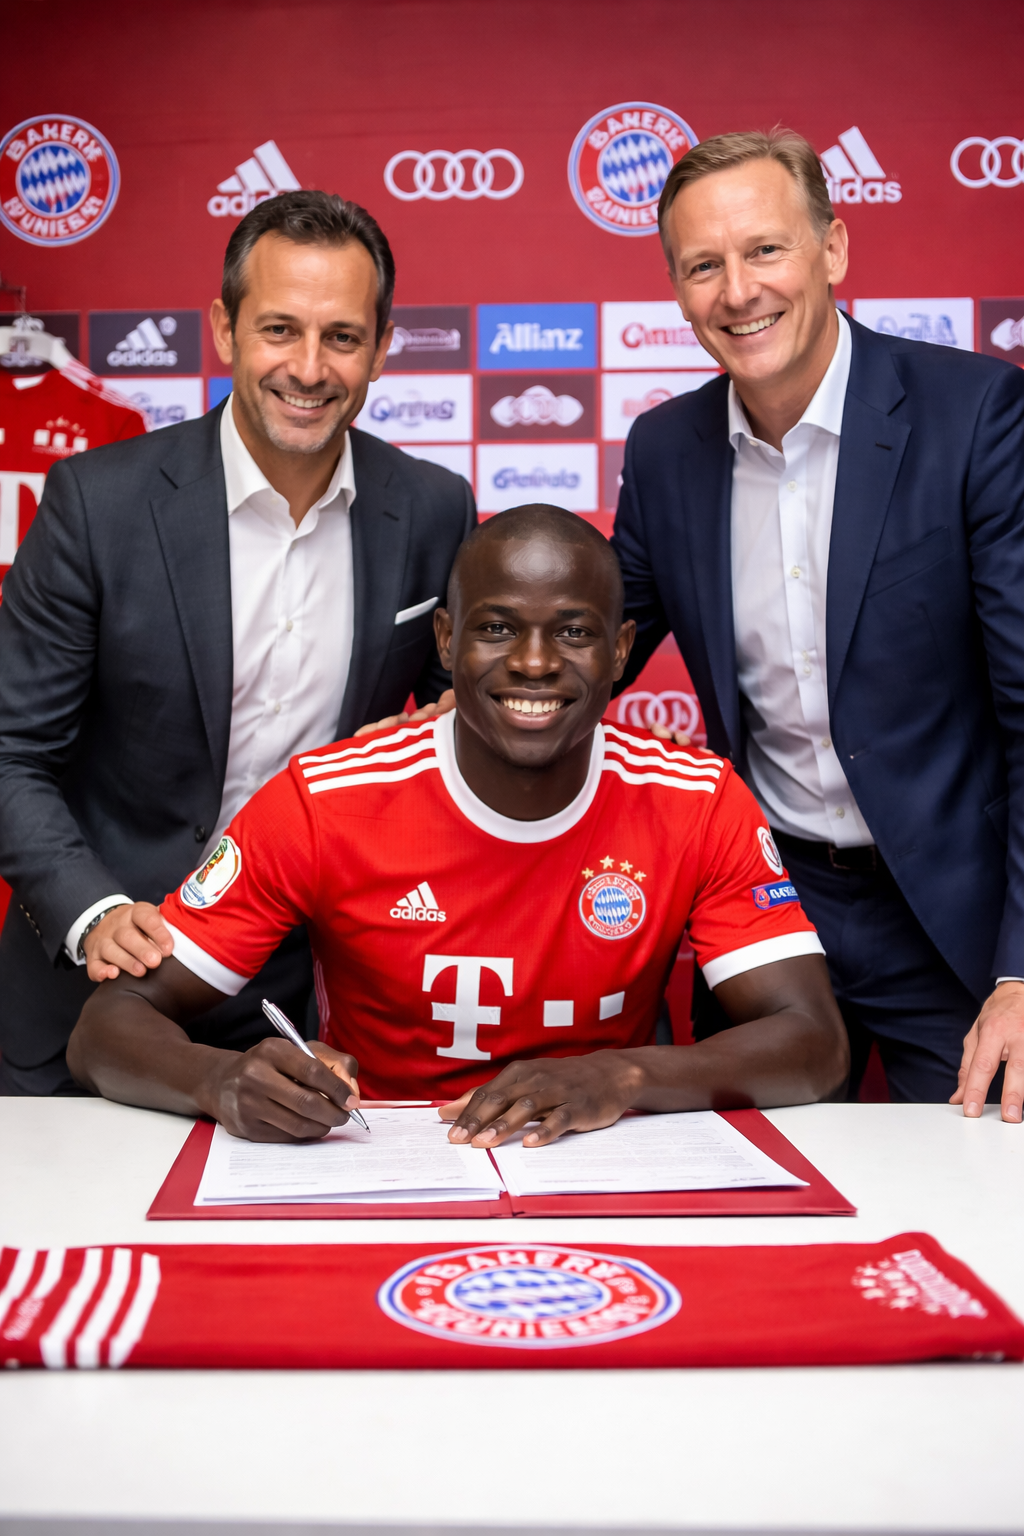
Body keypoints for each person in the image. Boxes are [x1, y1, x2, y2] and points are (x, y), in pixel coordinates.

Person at [67, 506, 848, 1145]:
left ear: (619, 651)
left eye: (574, 632)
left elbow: (813, 1043)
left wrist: (623, 1076)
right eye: (497, 628)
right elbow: (107, 1028)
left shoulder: (696, 798)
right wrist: (217, 1079)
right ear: (446, 640)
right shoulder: (325, 800)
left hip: (602, 1161)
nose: (535, 662)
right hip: (378, 1161)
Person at [0, 190, 475, 1095]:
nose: (309, 368)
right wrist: (93, 912)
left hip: (298, 1000)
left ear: (382, 347)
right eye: (279, 330)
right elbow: (10, 750)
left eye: (342, 336)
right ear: (224, 328)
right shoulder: (97, 503)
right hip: (91, 983)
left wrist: (444, 736)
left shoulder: (432, 508)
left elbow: (448, 725)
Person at [609, 128, 1024, 1120]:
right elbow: (594, 647)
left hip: (957, 922)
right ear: (676, 289)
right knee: (749, 1186)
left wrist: (1022, 972)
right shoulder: (665, 449)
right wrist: (454, 712)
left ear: (831, 248)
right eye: (703, 266)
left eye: (766, 250)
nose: (737, 291)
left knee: (975, 1190)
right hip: (771, 914)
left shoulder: (974, 416)